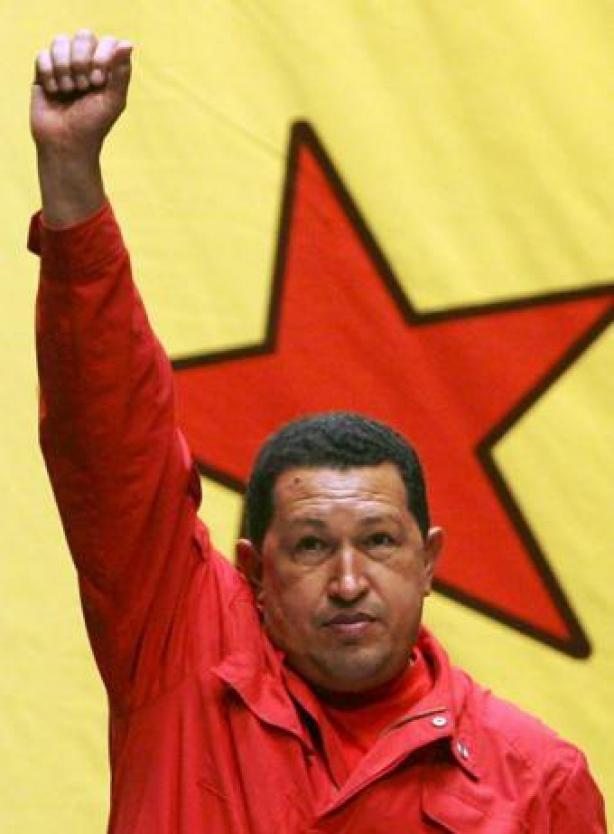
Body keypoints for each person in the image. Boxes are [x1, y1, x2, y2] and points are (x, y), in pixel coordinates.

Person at [30, 31, 606, 834]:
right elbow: (109, 439)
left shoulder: (537, 781)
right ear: (253, 573)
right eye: (308, 546)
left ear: (429, 561)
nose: (347, 580)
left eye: (379, 541)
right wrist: (70, 175)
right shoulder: (183, 653)